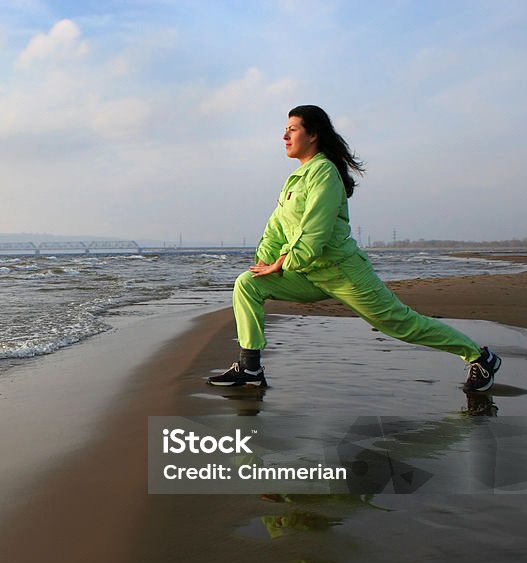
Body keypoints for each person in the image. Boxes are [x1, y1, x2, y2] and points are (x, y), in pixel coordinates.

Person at [208, 105, 502, 392]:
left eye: (292, 130)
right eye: (284, 131)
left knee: (401, 324)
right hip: (307, 273)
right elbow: (277, 224)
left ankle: (479, 356)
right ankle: (250, 367)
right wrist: (266, 257)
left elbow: (315, 230)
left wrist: (283, 262)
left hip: (343, 272)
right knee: (248, 284)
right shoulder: (295, 179)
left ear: (313, 135)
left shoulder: (324, 173)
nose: (284, 137)